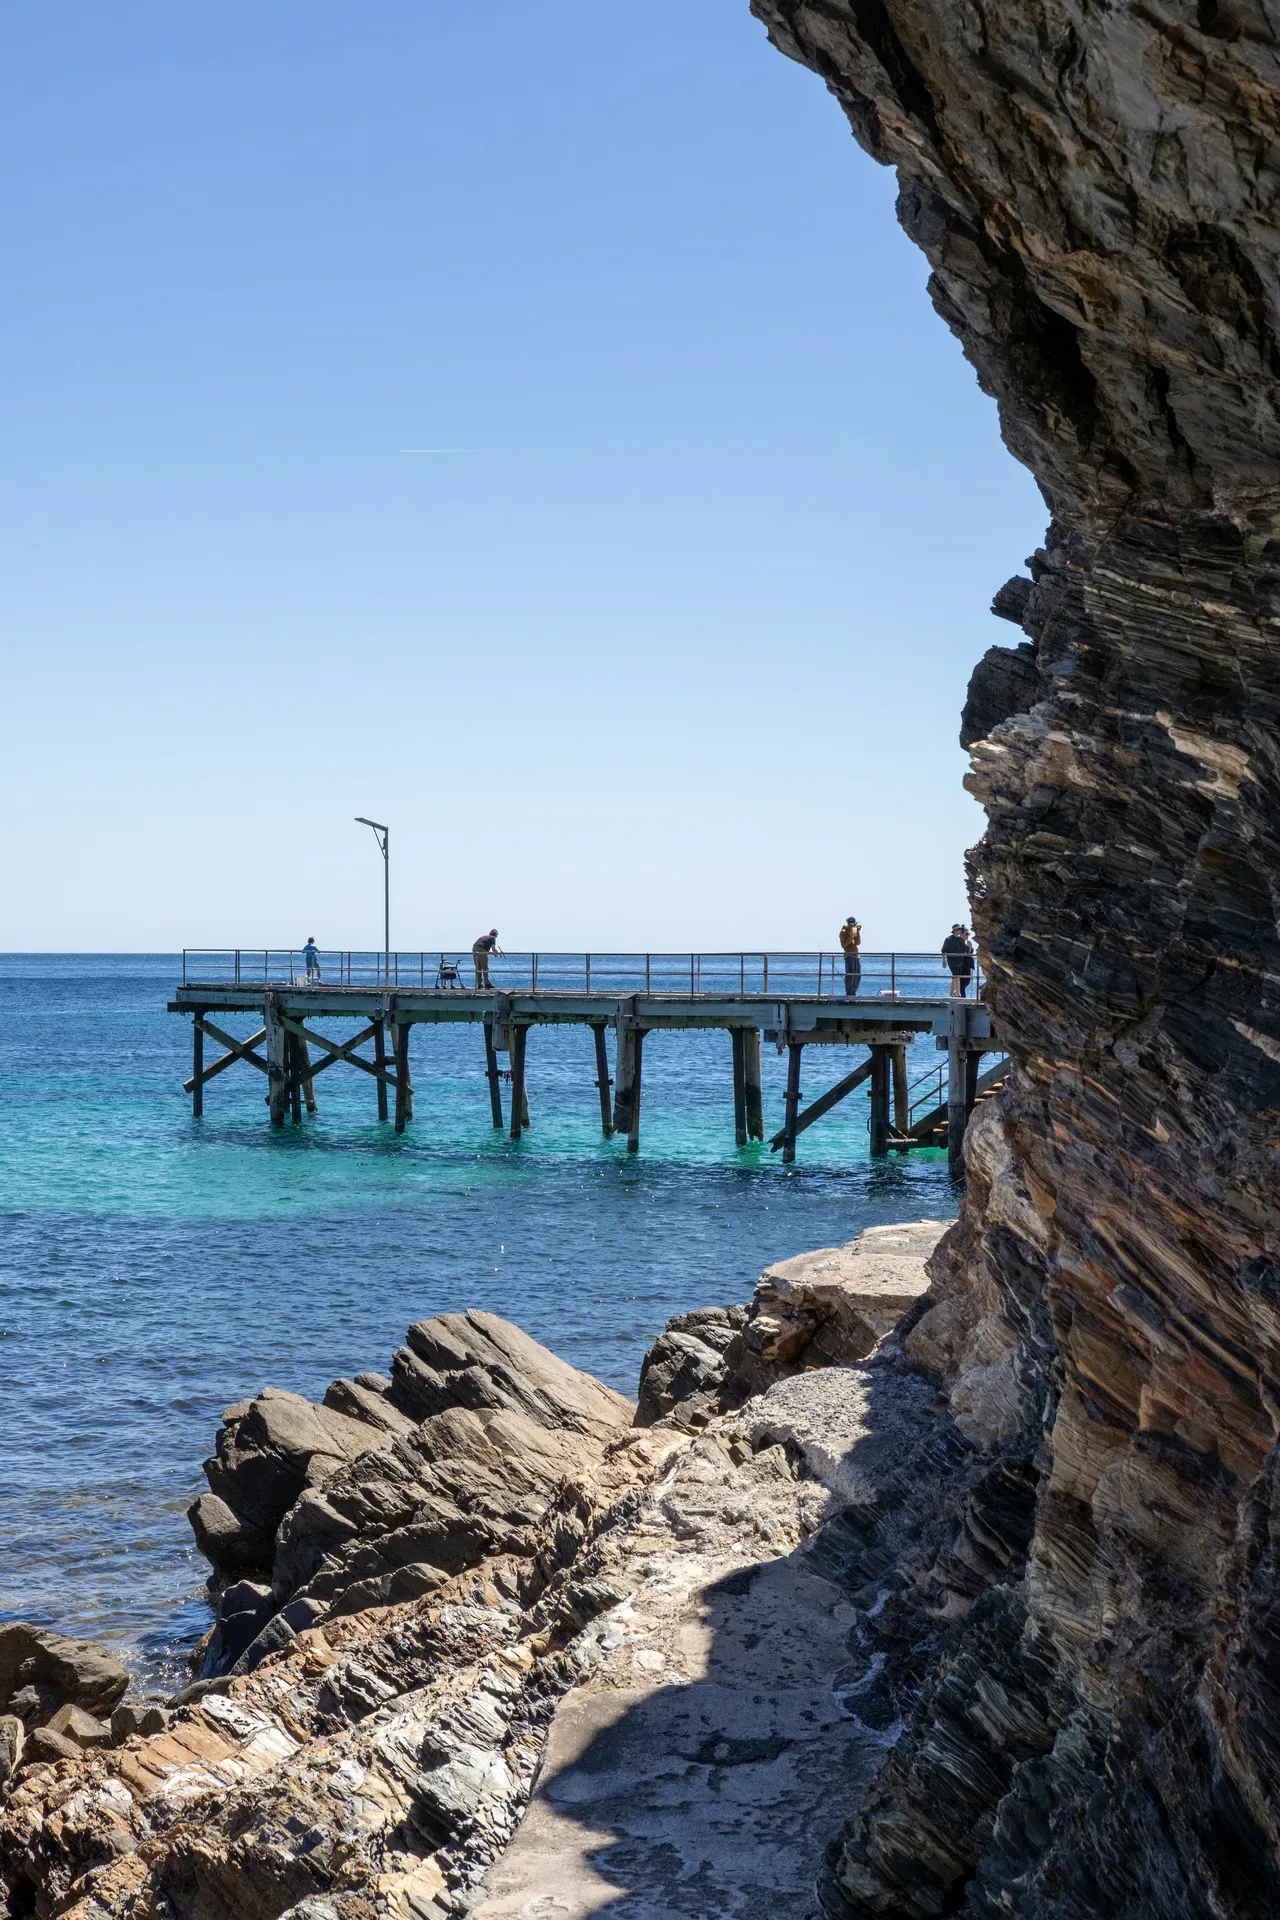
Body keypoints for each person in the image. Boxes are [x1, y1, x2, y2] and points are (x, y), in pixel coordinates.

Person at [942, 924, 975, 997]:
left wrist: (968, 946)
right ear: (955, 931)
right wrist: (944, 961)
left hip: (961, 962)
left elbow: (965, 949)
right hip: (953, 961)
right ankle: (958, 993)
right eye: (959, 929)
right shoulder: (949, 939)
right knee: (957, 976)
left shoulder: (962, 940)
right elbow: (943, 950)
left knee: (956, 977)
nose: (960, 930)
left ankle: (951, 994)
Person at [839, 915, 862, 997]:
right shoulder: (843, 931)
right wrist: (851, 936)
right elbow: (844, 945)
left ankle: (854, 992)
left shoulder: (855, 930)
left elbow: (858, 943)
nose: (852, 926)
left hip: (856, 955)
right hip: (849, 955)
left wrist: (858, 932)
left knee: (858, 975)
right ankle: (849, 993)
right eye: (850, 924)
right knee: (850, 975)